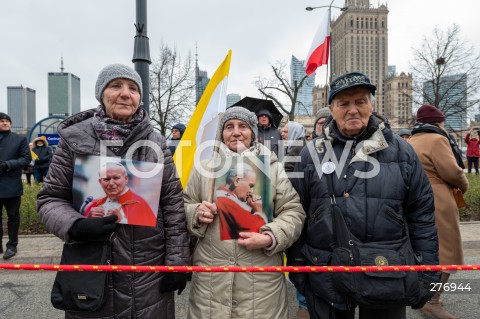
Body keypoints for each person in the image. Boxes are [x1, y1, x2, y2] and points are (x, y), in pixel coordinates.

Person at [37, 63, 190, 319]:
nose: (125, 93)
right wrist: (75, 225)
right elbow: (49, 198)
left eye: (133, 88)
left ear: (140, 97)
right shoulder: (74, 141)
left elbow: (173, 204)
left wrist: (177, 262)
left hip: (148, 272)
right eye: (115, 86)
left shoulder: (156, 142)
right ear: (101, 94)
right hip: (92, 265)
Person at [288, 72, 439, 319]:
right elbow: (298, 211)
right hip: (325, 270)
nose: (353, 110)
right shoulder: (310, 153)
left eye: (360, 102)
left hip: (387, 269)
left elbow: (421, 214)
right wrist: (298, 268)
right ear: (331, 109)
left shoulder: (402, 152)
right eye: (344, 104)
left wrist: (427, 269)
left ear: (371, 105)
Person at [183, 106, 305, 319]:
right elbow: (183, 205)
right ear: (221, 133)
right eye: (229, 127)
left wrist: (270, 237)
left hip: (261, 285)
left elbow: (293, 211)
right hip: (211, 283)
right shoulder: (204, 168)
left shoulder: (272, 168)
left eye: (243, 126)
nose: (236, 132)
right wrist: (195, 213)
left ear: (254, 134)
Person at [409, 104, 468, 319]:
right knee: (447, 251)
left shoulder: (411, 140)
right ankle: (432, 301)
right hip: (438, 199)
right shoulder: (437, 139)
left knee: (425, 250)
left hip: (416, 199)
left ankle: (423, 296)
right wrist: (464, 184)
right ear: (439, 122)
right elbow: (452, 172)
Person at [280, 120, 309, 319]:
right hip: (297, 207)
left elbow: (290, 180)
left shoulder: (297, 149)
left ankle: (305, 305)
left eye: (285, 131)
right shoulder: (291, 147)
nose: (282, 134)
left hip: (299, 208)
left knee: (301, 258)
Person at [83, 162, 157, 226]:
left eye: (116, 178)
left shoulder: (139, 204)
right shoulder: (93, 205)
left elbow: (149, 237)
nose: (111, 183)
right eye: (106, 179)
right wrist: (88, 220)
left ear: (126, 179)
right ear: (100, 182)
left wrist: (121, 221)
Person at [0, 112, 31, 260]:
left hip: (11, 185)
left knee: (13, 217)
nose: (5, 123)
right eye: (2, 121)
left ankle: (12, 245)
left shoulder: (19, 139)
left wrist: (7, 165)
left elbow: (26, 158)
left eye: (7, 121)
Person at [216, 162, 267, 240]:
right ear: (237, 181)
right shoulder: (227, 201)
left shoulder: (221, 196)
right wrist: (258, 211)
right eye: (250, 186)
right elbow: (258, 233)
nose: (252, 192)